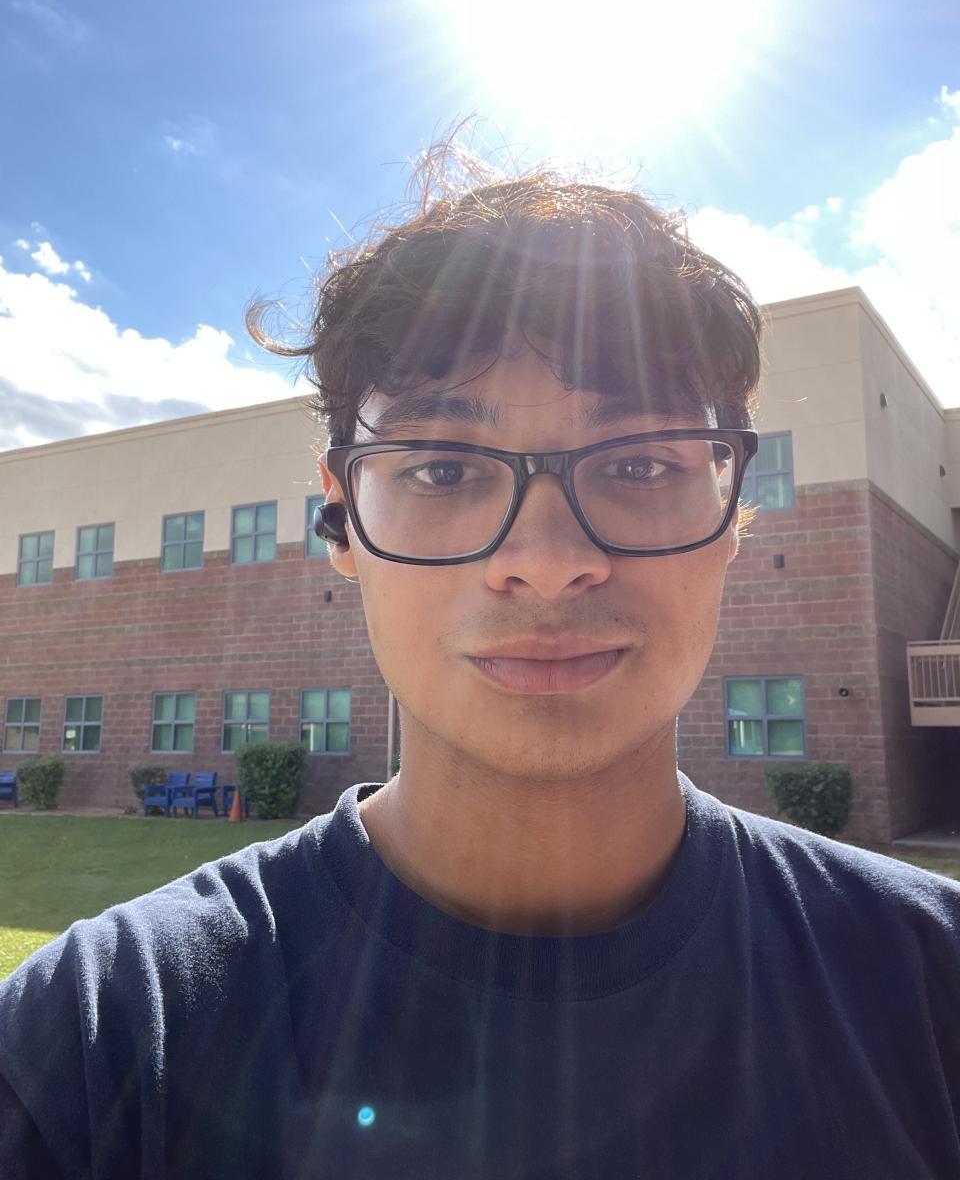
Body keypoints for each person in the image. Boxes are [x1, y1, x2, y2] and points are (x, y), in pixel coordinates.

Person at [2, 140, 959, 1180]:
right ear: (341, 516)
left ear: (736, 506)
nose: (545, 562)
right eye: (444, 470)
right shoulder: (92, 1043)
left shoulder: (928, 980)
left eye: (643, 464)